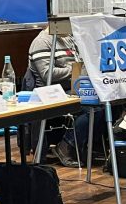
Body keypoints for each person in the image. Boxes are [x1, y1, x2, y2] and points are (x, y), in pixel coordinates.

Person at [27, 26, 104, 167]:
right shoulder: (42, 42)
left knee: (106, 103)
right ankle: (66, 146)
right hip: (52, 91)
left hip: (74, 87)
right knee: (92, 108)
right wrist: (74, 70)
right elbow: (46, 74)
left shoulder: (68, 38)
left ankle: (87, 147)